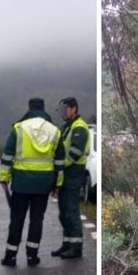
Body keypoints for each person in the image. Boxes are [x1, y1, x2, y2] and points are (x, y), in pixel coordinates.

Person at [0, 98, 62, 267]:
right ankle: (32, 256)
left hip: (21, 182)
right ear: (43, 108)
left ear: (29, 108)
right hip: (43, 184)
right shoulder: (55, 131)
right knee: (37, 220)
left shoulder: (19, 128)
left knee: (17, 219)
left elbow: (7, 156)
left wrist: (4, 178)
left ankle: (10, 256)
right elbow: (59, 161)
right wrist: (57, 184)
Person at [51, 97, 91, 260]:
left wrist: (59, 165)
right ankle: (67, 243)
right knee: (63, 211)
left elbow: (74, 153)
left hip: (73, 172)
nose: (62, 112)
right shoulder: (66, 127)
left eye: (65, 108)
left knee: (71, 210)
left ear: (74, 109)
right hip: (66, 173)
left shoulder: (79, 127)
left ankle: (76, 247)